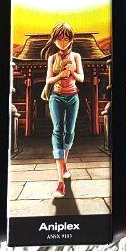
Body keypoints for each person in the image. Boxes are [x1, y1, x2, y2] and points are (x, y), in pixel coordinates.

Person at [43, 22, 84, 197]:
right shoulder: (52, 58)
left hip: (73, 97)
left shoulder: (76, 56)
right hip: (56, 97)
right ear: (54, 40)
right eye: (59, 39)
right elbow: (48, 80)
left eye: (66, 38)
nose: (62, 42)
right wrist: (60, 75)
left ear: (71, 40)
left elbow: (81, 78)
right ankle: (60, 181)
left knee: (70, 132)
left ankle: (64, 164)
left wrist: (71, 72)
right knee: (58, 130)